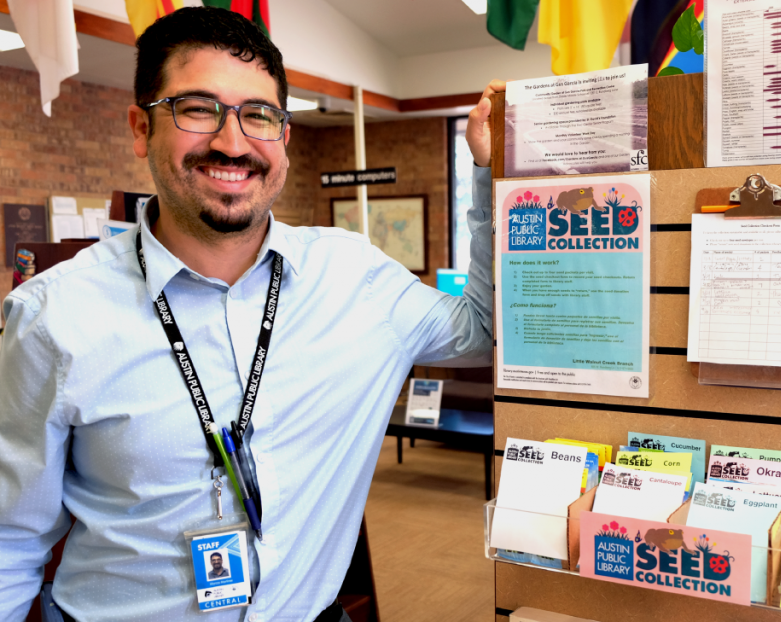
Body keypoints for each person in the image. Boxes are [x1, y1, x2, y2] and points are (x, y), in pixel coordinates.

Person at [0, 7, 503, 622]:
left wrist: (489, 171)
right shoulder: (52, 318)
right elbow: (9, 540)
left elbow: (489, 331)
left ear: (284, 138)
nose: (232, 143)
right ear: (140, 128)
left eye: (258, 115)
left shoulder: (355, 282)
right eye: (196, 108)